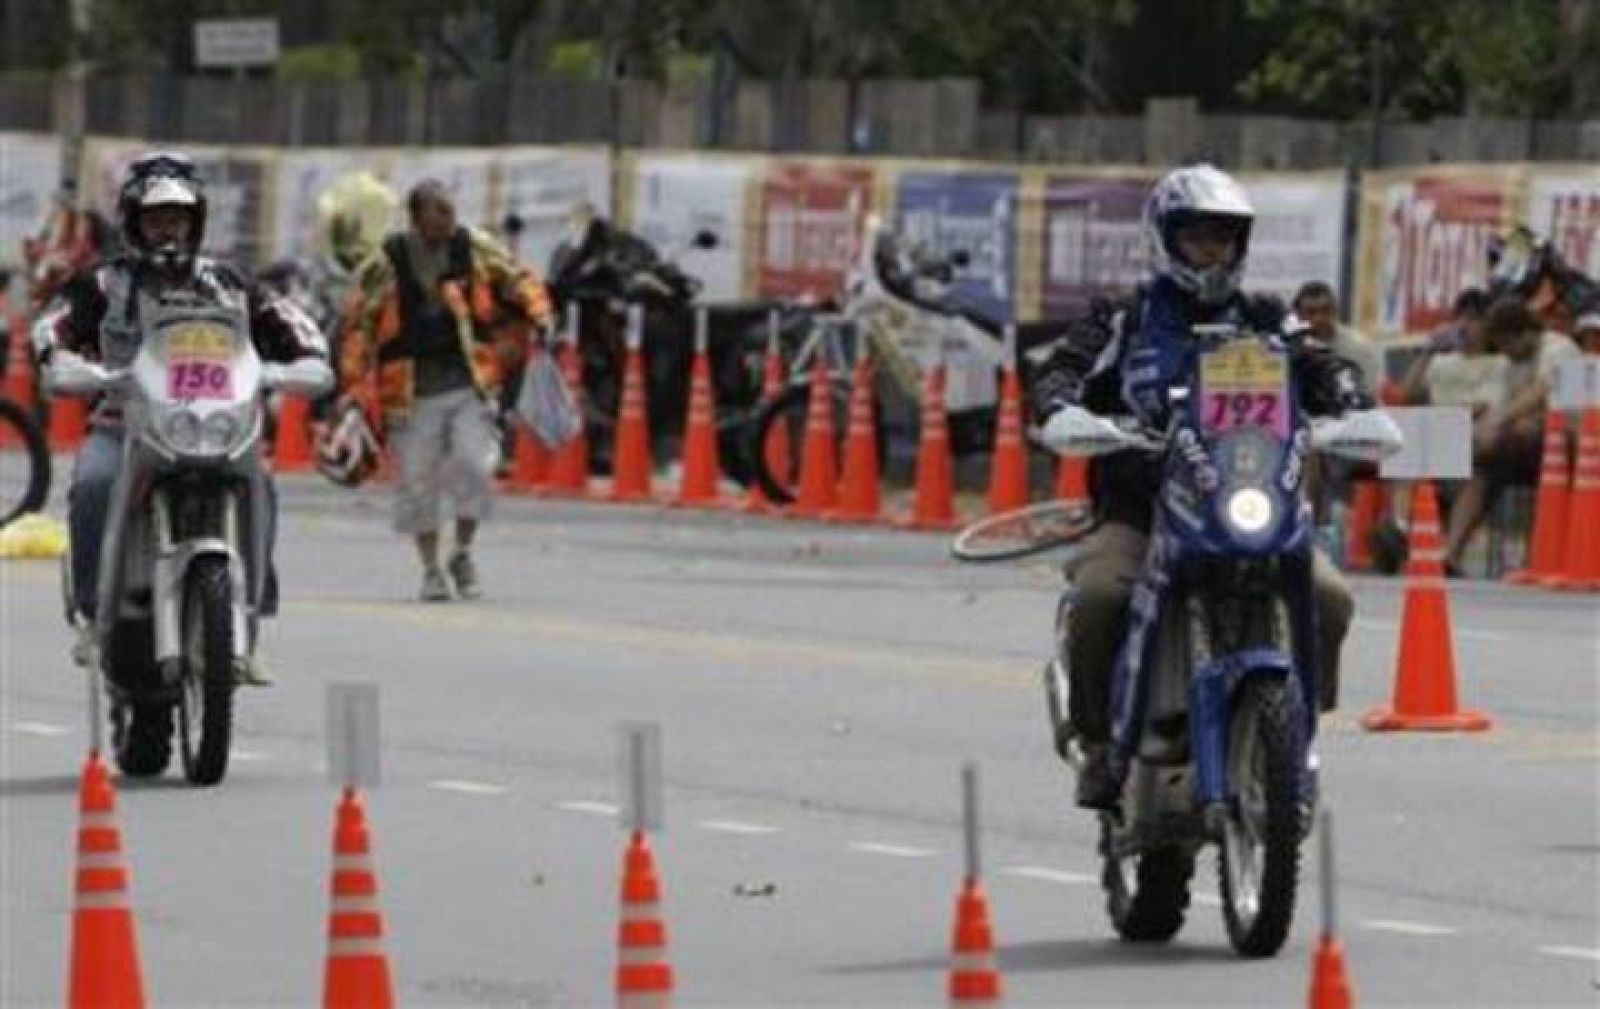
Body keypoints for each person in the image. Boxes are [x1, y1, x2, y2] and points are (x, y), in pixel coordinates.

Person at [1029, 164, 1373, 810]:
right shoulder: (1125, 316)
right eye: (1197, 237)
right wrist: (1063, 411)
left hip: (1249, 499)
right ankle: (1101, 743)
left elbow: (1327, 368)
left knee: (1329, 596)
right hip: (1145, 509)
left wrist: (1357, 406)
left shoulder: (1268, 317)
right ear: (1165, 237)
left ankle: (1293, 734)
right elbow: (1062, 372)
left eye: (1224, 238)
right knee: (1102, 595)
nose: (1211, 250)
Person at [34, 152, 329, 683]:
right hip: (123, 423)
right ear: (132, 222)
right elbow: (52, 328)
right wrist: (63, 361)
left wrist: (305, 360)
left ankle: (250, 619)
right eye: (155, 219)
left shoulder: (228, 282)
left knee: (260, 482)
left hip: (217, 422)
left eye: (177, 219)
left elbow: (292, 324)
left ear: (195, 223)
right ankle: (89, 612)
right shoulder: (102, 283)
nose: (167, 230)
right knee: (95, 483)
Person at [341, 180, 553, 602]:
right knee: (418, 483)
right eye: (439, 211)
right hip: (409, 391)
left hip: (470, 380)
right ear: (418, 216)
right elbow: (359, 324)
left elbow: (517, 278)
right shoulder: (388, 260)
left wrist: (540, 313)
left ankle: (463, 550)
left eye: (451, 210)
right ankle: (430, 569)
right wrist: (352, 383)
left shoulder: (474, 248)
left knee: (476, 464)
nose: (449, 218)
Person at [1441, 296, 1581, 572]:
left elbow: (1540, 392)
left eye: (1507, 344)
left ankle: (1543, 552)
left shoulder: (1557, 347)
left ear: (1525, 333)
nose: (1505, 352)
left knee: (1514, 432)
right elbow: (1501, 404)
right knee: (1484, 464)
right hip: (1532, 446)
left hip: (1572, 443)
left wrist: (1499, 422)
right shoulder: (1511, 362)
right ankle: (1450, 553)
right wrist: (1485, 428)